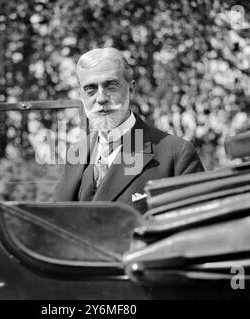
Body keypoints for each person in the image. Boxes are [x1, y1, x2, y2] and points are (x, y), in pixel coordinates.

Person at [54, 48, 204, 212]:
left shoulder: (176, 154)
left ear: (131, 89)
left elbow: (195, 230)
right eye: (90, 88)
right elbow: (56, 223)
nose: (101, 98)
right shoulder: (76, 153)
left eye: (111, 85)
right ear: (81, 95)